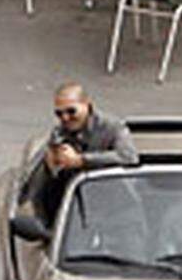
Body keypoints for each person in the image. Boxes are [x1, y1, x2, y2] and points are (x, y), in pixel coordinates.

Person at [38, 82, 138, 224]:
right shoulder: (60, 133)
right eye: (59, 114)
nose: (65, 118)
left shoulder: (112, 127)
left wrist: (82, 160)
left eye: (71, 111)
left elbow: (129, 157)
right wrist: (53, 164)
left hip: (117, 206)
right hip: (80, 207)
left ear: (86, 105)